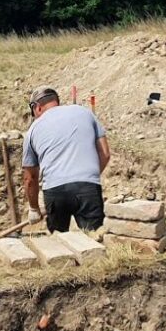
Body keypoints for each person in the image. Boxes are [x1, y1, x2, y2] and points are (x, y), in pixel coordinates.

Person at [22, 85, 111, 233]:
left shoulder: (32, 130)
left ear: (37, 107)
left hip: (55, 191)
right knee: (94, 241)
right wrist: (87, 179)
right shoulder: (85, 113)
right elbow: (105, 153)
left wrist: (34, 208)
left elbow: (30, 178)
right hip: (88, 188)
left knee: (58, 246)